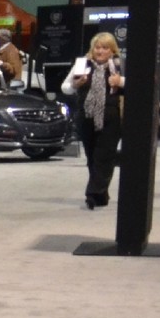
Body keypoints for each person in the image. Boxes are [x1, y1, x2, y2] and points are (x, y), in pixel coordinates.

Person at [63, 32, 127, 209]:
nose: (100, 51)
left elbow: (138, 84)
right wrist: (76, 84)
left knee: (104, 156)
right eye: (97, 47)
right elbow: (65, 87)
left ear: (112, 50)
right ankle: (101, 194)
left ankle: (92, 193)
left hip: (111, 117)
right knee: (92, 156)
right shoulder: (82, 64)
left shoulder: (119, 65)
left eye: (105, 48)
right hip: (86, 116)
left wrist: (119, 81)